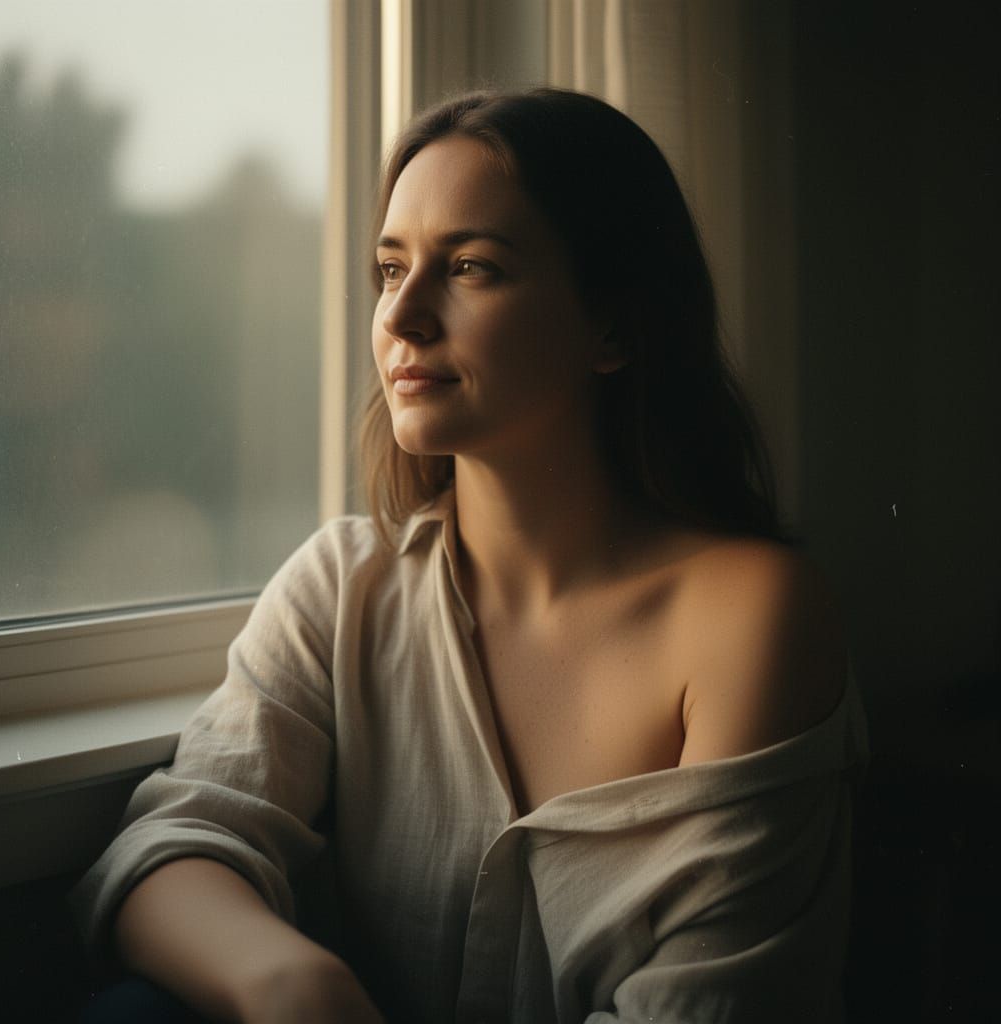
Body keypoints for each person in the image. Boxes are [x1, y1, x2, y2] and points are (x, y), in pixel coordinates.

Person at [74, 88, 866, 1023]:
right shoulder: (345, 587)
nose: (402, 316)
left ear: (612, 326)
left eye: (472, 268)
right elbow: (179, 841)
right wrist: (294, 984)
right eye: (389, 268)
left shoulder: (749, 613)